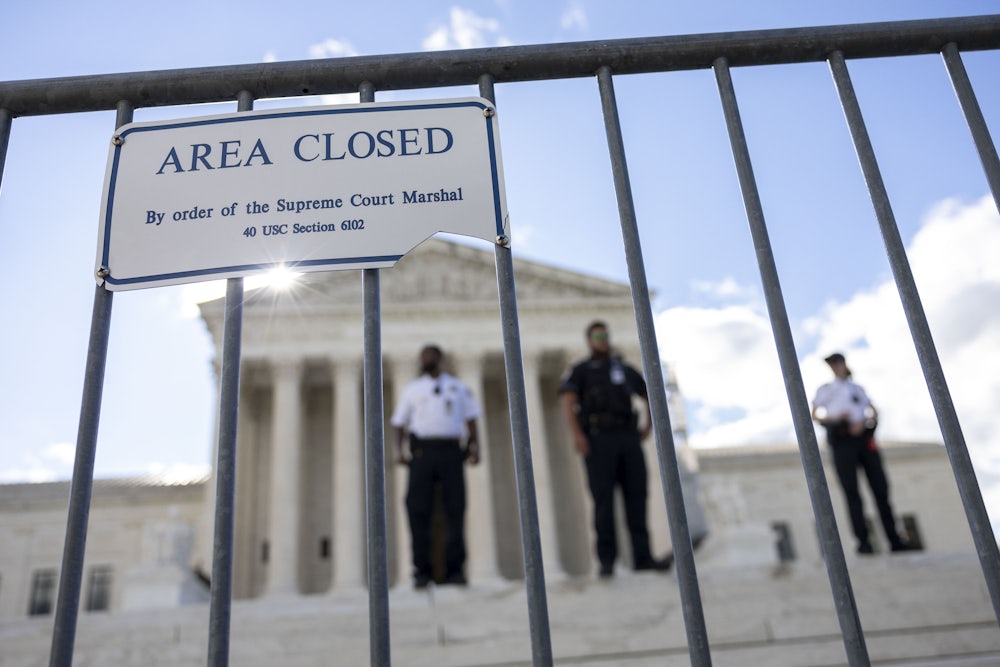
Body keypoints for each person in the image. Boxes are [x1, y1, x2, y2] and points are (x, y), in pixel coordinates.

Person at [558, 321, 673, 578]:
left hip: (627, 435)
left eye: (606, 335)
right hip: (598, 438)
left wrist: (648, 425)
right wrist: (577, 434)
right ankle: (607, 561)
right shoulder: (581, 370)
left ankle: (644, 558)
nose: (603, 340)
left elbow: (649, 393)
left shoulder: (623, 368)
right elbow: (567, 399)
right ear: (589, 341)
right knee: (603, 500)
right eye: (597, 336)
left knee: (637, 497)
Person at [391, 344, 481, 589]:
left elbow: (472, 417)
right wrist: (398, 450)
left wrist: (475, 446)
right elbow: (399, 422)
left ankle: (455, 570)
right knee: (417, 509)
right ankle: (422, 571)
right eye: (423, 356)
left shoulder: (458, 387)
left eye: (429, 355)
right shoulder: (413, 389)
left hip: (451, 451)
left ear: (439, 358)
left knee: (455, 509)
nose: (425, 359)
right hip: (422, 452)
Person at [812, 352, 916, 555]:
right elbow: (815, 415)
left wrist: (865, 423)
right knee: (852, 493)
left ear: (844, 364)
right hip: (841, 440)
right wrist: (837, 419)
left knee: (881, 490)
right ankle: (863, 542)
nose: (835, 366)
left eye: (838, 362)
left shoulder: (857, 389)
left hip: (864, 438)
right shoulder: (826, 390)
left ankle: (895, 540)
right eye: (832, 364)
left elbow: (872, 409)